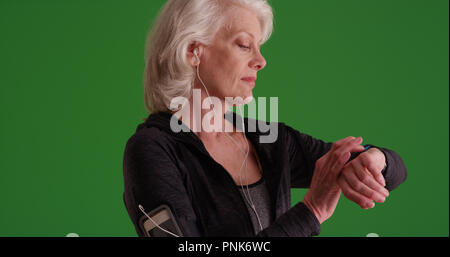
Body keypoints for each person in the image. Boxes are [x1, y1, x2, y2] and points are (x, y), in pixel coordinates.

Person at [122, 0, 407, 237]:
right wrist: (311, 212)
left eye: (259, 47)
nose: (261, 61)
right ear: (193, 52)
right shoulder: (152, 149)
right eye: (244, 45)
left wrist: (374, 159)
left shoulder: (269, 139)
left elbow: (393, 169)